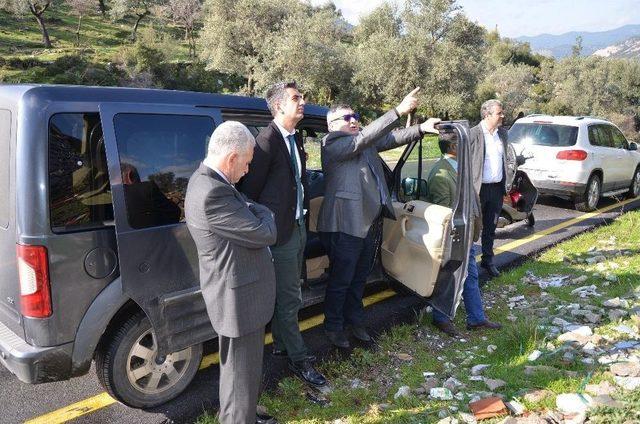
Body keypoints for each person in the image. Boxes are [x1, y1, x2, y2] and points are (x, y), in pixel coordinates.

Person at [317, 87, 440, 348]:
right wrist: (397, 110)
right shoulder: (332, 143)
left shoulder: (362, 141)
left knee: (359, 277)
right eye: (346, 118)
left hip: (368, 223)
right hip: (344, 225)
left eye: (355, 116)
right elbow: (363, 139)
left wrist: (420, 129)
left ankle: (355, 321)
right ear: (332, 125)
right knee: (342, 279)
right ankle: (333, 326)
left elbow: (390, 138)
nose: (353, 120)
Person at [185, 121, 278, 424]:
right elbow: (264, 233)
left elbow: (245, 208)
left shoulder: (208, 181)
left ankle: (241, 412)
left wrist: (251, 209)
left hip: (237, 295)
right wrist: (265, 211)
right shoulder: (213, 192)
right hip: (239, 300)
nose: (248, 170)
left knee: (239, 370)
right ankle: (239, 417)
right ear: (231, 159)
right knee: (241, 372)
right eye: (248, 163)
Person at [237, 81, 326, 387]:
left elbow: (297, 183)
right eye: (296, 98)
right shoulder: (265, 142)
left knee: (289, 292)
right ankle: (300, 359)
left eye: (302, 96)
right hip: (281, 234)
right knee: (290, 298)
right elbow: (248, 193)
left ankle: (280, 345)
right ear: (278, 106)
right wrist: (268, 226)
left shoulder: (294, 139)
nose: (303, 101)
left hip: (298, 225)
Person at [425, 131, 502, 337]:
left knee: (469, 275)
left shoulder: (459, 168)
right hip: (455, 236)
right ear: (452, 148)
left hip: (466, 233)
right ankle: (442, 318)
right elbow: (444, 212)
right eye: (462, 144)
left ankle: (475, 318)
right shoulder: (441, 174)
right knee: (450, 276)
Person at [470, 99, 511, 278]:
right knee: (472, 229)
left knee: (490, 227)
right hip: (477, 191)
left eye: (502, 113)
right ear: (487, 115)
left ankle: (488, 260)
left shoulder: (502, 134)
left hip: (496, 189)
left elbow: (507, 159)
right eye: (499, 113)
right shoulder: (473, 134)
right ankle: (468, 264)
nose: (502, 116)